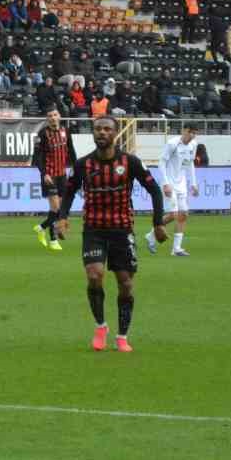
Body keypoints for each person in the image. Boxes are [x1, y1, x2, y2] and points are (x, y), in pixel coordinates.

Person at [54, 115, 167, 354]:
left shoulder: (130, 162)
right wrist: (62, 218)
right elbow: (69, 191)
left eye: (106, 129)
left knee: (125, 284)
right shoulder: (83, 164)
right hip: (94, 229)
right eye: (97, 129)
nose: (101, 133)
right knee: (95, 275)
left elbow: (154, 190)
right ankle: (100, 326)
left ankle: (122, 336)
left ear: (115, 134)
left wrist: (158, 223)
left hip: (122, 230)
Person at [149, 126, 197, 257]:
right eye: (190, 132)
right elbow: (161, 163)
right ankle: (152, 234)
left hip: (181, 184)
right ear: (184, 131)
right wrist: (165, 183)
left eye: (194, 133)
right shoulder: (172, 144)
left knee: (184, 214)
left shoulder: (193, 145)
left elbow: (190, 164)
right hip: (169, 183)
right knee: (173, 215)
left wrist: (193, 183)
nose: (192, 136)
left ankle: (176, 248)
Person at [31, 110, 75, 251]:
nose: (53, 118)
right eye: (49, 116)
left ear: (59, 116)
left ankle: (41, 228)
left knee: (58, 210)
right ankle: (53, 240)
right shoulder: (43, 134)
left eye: (55, 115)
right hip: (49, 175)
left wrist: (76, 168)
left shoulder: (65, 131)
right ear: (47, 118)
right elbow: (37, 157)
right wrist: (44, 174)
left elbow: (72, 150)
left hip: (62, 175)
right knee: (56, 208)